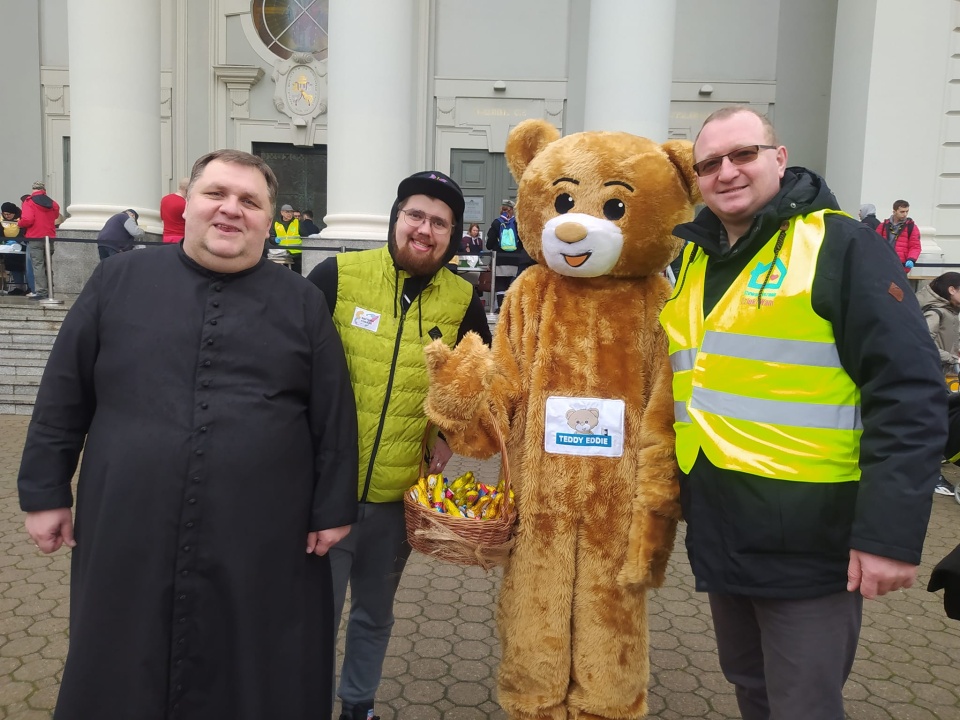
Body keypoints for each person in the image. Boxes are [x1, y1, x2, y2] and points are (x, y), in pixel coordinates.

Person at [17, 149, 359, 720]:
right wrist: (45, 492)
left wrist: (332, 508)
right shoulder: (118, 278)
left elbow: (333, 414)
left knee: (252, 664)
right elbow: (63, 391)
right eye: (216, 194)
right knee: (123, 658)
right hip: (129, 526)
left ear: (270, 219)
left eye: (250, 201)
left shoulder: (301, 301)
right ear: (186, 203)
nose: (231, 210)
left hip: (261, 538)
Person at [661, 106, 947, 720]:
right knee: (751, 687)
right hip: (722, 523)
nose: (726, 172)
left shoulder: (840, 245)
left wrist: (889, 536)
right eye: (709, 163)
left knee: (802, 705)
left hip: (810, 541)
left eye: (743, 154)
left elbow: (911, 391)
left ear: (779, 157)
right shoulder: (694, 257)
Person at [306, 170, 492, 720]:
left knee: (374, 613)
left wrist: (449, 436)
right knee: (313, 614)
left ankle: (357, 707)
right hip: (323, 492)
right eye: (415, 215)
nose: (424, 229)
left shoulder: (462, 301)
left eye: (439, 222)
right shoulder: (337, 276)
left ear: (453, 235)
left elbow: (473, 387)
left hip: (397, 497)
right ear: (395, 219)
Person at [916, 272, 960, 496]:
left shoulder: (950, 312)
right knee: (932, 425)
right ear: (952, 289)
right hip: (928, 375)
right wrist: (952, 358)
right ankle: (931, 476)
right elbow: (924, 342)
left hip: (938, 375)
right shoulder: (936, 312)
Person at [486, 199, 534, 310]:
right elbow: (523, 243)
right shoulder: (517, 224)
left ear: (501, 209)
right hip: (514, 260)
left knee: (500, 285)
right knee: (511, 285)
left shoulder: (496, 223)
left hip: (499, 260)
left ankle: (501, 308)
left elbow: (489, 244)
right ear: (512, 210)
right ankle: (510, 309)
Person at [18, 180, 59, 299]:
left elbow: (28, 219)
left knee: (38, 265)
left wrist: (19, 223)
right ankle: (51, 289)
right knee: (48, 264)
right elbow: (55, 216)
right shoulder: (53, 203)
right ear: (44, 190)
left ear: (33, 189)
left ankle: (41, 291)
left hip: (35, 236)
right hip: (49, 236)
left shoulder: (29, 201)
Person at [877, 199, 921, 273]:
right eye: (902, 212)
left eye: (907, 211)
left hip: (900, 265)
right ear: (894, 211)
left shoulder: (911, 227)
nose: (905, 214)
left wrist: (911, 259)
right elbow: (875, 243)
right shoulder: (883, 226)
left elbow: (915, 246)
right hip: (883, 264)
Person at [1, 201, 27, 291]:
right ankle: (18, 287)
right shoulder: (1, 220)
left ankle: (29, 287)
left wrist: (17, 241)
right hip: (8, 247)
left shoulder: (21, 218)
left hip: (21, 244)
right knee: (13, 266)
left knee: (25, 266)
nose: (7, 216)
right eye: (5, 214)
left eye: (9, 214)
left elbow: (24, 231)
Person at [269, 202, 302, 274]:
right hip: (282, 255)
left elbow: (305, 236)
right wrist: (274, 240)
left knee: (296, 276)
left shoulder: (297, 222)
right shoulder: (276, 224)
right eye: (287, 212)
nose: (290, 214)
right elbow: (271, 236)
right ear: (282, 213)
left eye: (291, 212)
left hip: (296, 255)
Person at [160, 177, 189, 243]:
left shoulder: (164, 199)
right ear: (187, 190)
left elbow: (162, 219)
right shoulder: (185, 204)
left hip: (166, 237)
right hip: (181, 238)